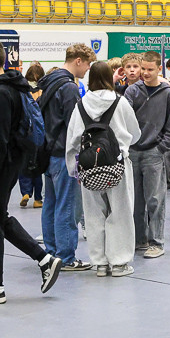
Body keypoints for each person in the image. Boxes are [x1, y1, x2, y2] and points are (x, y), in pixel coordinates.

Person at [0, 40, 63, 305]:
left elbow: (1, 138)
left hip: (5, 164)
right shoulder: (13, 85)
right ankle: (44, 260)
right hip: (10, 162)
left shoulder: (0, 92)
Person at [64, 62, 140, 277]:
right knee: (121, 212)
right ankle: (119, 263)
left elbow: (72, 141)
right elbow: (135, 133)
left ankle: (99, 263)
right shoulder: (121, 102)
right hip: (118, 165)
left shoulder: (80, 105)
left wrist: (74, 170)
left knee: (94, 214)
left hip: (88, 166)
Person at [39, 44, 95, 271]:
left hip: (48, 152)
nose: (88, 69)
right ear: (79, 60)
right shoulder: (69, 87)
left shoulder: (48, 82)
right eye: (88, 64)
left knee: (50, 205)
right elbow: (75, 125)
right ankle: (66, 257)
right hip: (64, 154)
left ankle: (51, 253)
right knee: (67, 206)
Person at [125, 51, 170, 259]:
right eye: (143, 69)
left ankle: (157, 242)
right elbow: (124, 119)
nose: (145, 73)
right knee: (135, 200)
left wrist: (161, 147)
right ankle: (140, 240)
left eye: (149, 69)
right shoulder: (132, 91)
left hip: (154, 154)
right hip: (132, 152)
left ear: (159, 69)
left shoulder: (167, 93)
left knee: (155, 199)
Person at [18, 62, 45, 209]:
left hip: (25, 132)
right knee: (37, 168)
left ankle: (25, 192)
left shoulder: (23, 90)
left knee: (24, 165)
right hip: (40, 133)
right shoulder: (44, 90)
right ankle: (38, 199)